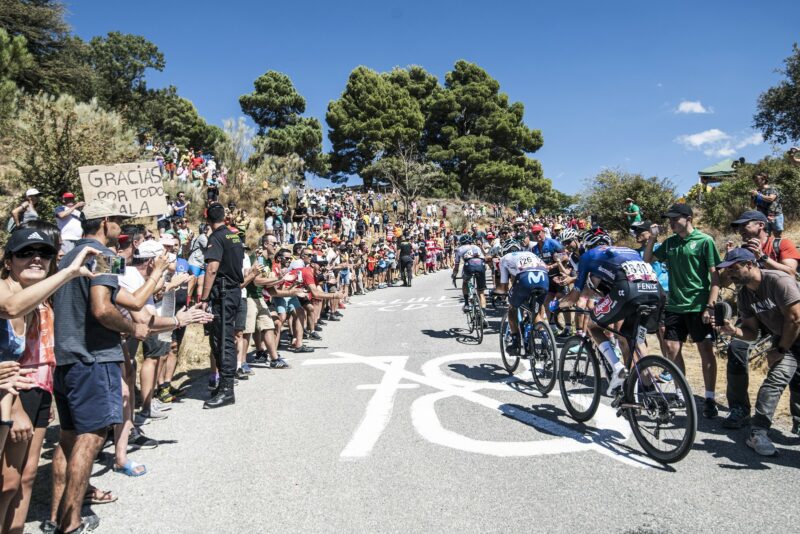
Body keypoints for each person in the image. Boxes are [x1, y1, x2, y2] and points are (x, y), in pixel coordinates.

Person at [51, 199, 149, 534]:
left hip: (64, 358)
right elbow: (102, 309)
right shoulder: (104, 256)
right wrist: (131, 328)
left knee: (68, 439)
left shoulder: (66, 255)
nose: (122, 227)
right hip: (94, 358)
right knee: (91, 439)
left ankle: (56, 517)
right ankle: (72, 521)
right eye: (119, 220)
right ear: (105, 220)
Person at [556, 229, 665, 395]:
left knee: (593, 325)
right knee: (630, 338)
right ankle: (646, 387)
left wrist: (558, 305)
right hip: (656, 291)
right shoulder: (628, 251)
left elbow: (576, 294)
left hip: (627, 290)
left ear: (588, 244)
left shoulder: (589, 255)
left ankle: (617, 368)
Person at [714, 248, 800, 456]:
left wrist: (780, 349)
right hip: (786, 341)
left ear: (750, 265)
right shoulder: (745, 296)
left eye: (734, 268)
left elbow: (795, 319)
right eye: (728, 271)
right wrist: (734, 331)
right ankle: (758, 432)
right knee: (775, 380)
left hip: (789, 338)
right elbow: (752, 332)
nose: (731, 274)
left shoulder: (778, 281)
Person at [722, 210, 800, 429]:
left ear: (760, 225)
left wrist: (763, 258)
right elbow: (728, 281)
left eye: (744, 225)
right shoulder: (741, 255)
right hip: (763, 315)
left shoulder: (780, 245)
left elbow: (790, 275)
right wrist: (731, 259)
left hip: (788, 312)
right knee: (737, 347)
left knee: (790, 370)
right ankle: (739, 408)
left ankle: (797, 418)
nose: (740, 230)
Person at [644, 203, 721, 418]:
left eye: (674, 218)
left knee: (705, 351)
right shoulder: (670, 243)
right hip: (675, 305)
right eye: (669, 218)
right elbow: (647, 260)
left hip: (699, 306)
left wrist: (710, 305)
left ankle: (709, 398)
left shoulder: (705, 241)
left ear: (688, 217)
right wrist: (652, 238)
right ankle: (681, 393)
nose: (670, 222)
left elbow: (716, 277)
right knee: (671, 349)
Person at [199, 203, 244, 409]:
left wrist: (204, 297)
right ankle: (223, 386)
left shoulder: (216, 237)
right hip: (232, 291)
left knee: (223, 340)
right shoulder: (234, 236)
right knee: (219, 338)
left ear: (207, 219)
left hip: (223, 293)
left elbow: (212, 269)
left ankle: (227, 390)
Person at [492, 239, 549, 355]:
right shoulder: (530, 253)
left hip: (525, 278)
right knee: (536, 313)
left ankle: (516, 344)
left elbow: (503, 287)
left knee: (512, 308)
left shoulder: (504, 258)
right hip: (544, 277)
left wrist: (494, 293)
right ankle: (545, 341)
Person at [452, 235, 487, 314]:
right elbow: (483, 257)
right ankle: (483, 315)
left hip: (469, 265)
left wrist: (454, 275)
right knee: (481, 292)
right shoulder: (477, 247)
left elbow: (456, 266)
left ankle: (467, 304)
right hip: (481, 265)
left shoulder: (459, 249)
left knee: (465, 282)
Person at [750, 172, 783, 237]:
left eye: (757, 180)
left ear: (764, 179)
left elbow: (771, 199)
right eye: (754, 181)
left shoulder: (772, 189)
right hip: (763, 217)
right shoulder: (756, 191)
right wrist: (752, 197)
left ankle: (778, 247)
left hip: (775, 216)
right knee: (765, 236)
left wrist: (758, 195)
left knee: (777, 236)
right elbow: (752, 206)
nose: (756, 182)